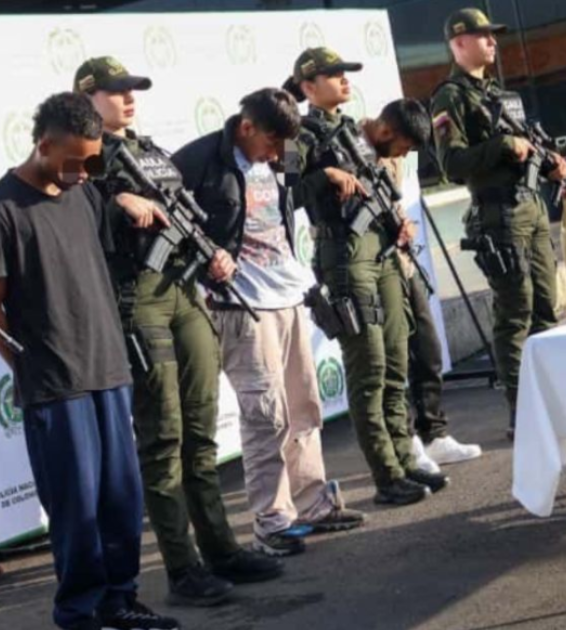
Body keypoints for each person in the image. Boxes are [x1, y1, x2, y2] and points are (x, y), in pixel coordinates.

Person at [75, 56, 282, 607]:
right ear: (88, 96)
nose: (128, 98)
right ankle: (182, 569)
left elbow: (185, 211)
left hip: (183, 292)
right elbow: (68, 211)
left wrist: (212, 253)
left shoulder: (148, 152)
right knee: (163, 438)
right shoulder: (82, 158)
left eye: (131, 90)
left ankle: (221, 549)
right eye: (116, 91)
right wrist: (115, 198)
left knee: (200, 432)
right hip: (136, 298)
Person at [0, 92, 177, 630]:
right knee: (77, 516)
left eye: (94, 160)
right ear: (43, 145)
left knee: (122, 505)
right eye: (76, 161)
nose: (87, 173)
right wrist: (28, 367)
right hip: (55, 386)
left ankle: (120, 602)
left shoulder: (85, 195)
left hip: (110, 369)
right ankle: (80, 615)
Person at [171, 87, 367, 558]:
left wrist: (328, 172)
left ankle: (314, 504)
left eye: (284, 144)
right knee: (265, 418)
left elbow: (300, 185)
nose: (278, 153)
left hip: (289, 295)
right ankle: (272, 522)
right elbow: (168, 221)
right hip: (239, 306)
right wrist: (203, 266)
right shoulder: (200, 159)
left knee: (303, 407)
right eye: (271, 144)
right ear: (245, 127)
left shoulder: (287, 148)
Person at [285, 48, 449, 506]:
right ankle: (385, 474)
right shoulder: (298, 133)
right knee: (369, 367)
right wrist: (326, 175)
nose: (343, 81)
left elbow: (377, 184)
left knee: (396, 361)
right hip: (345, 257)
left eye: (345, 73)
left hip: (381, 252)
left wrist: (398, 220)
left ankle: (405, 457)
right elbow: (288, 191)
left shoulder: (352, 130)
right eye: (333, 74)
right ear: (307, 84)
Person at [430, 9, 566, 438]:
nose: (493, 42)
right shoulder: (450, 97)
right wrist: (503, 145)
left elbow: (525, 147)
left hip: (530, 207)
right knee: (515, 316)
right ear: (459, 43)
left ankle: (554, 406)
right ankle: (523, 414)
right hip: (498, 215)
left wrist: (551, 165)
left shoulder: (500, 94)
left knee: (547, 311)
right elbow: (451, 164)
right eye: (483, 36)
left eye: (493, 36)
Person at [359, 99, 483, 472]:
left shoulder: (390, 150)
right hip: (368, 266)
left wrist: (402, 224)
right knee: (389, 363)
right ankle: (406, 442)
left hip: (402, 260)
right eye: (404, 147)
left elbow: (390, 202)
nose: (405, 154)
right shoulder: (348, 145)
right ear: (385, 132)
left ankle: (434, 434)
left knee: (426, 346)